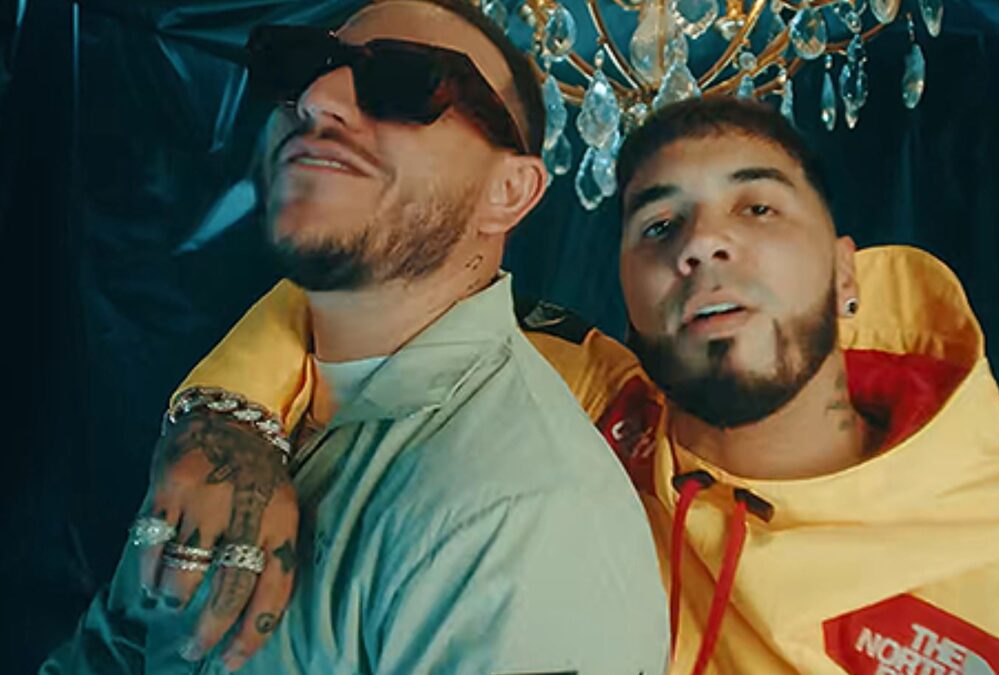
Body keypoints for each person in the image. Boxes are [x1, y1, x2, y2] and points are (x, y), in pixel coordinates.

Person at [94, 95, 999, 674]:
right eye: (660, 224)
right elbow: (368, 288)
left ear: (849, 275)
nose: (703, 244)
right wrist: (228, 420)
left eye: (758, 207)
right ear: (627, 294)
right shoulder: (588, 394)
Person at [41, 1, 669, 673]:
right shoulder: (232, 423)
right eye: (301, 66)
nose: (320, 98)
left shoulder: (524, 520)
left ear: (509, 192)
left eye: (405, 82)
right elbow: (113, 649)